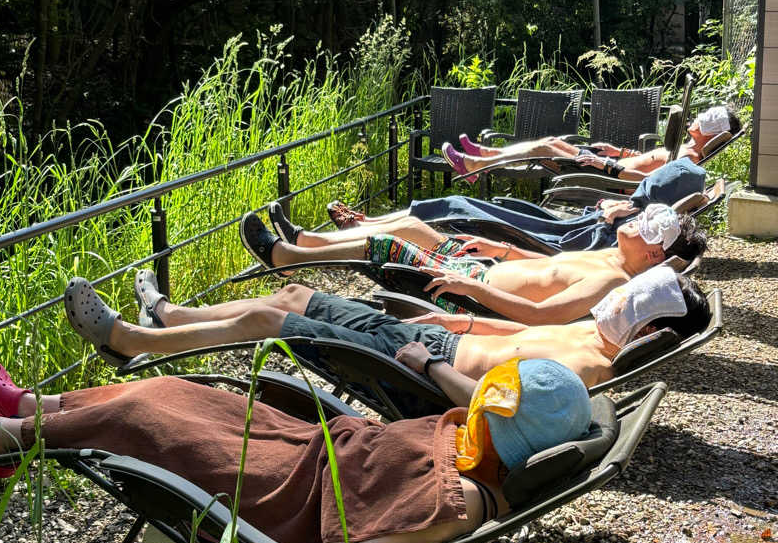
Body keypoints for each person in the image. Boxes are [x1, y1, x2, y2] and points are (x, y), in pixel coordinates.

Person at [0, 353, 592, 543]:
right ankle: (34, 406)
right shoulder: (471, 448)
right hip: (303, 445)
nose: (473, 405)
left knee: (145, 417)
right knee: (175, 391)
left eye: (485, 407)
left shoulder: (466, 497)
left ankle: (3, 438)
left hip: (279, 497)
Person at [62, 265, 711, 396]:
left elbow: (492, 404)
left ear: (649, 334)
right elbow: (506, 331)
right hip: (436, 341)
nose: (615, 307)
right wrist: (448, 319)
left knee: (268, 320)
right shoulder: (595, 333)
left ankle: (129, 341)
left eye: (631, 310)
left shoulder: (593, 371)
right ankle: (170, 316)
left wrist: (428, 364)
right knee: (295, 292)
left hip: (415, 373)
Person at [239, 202, 707, 321]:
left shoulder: (610, 284)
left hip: (471, 296)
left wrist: (474, 289)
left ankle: (286, 257)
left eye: (643, 227)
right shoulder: (611, 255)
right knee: (408, 226)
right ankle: (308, 240)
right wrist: (501, 250)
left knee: (389, 248)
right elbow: (548, 264)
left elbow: (539, 317)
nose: (632, 221)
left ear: (652, 254)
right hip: (476, 270)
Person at [273, 157, 710, 255]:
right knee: (456, 199)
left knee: (448, 209)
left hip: (536, 243)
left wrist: (611, 215)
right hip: (550, 229)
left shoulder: (631, 242)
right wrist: (617, 210)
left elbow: (564, 252)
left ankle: (311, 243)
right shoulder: (635, 223)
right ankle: (359, 224)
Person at [441, 104, 742, 183]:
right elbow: (647, 159)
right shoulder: (683, 149)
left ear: (712, 133)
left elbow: (649, 179)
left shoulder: (689, 160)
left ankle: (476, 164)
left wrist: (607, 163)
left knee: (545, 149)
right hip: (609, 164)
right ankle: (488, 155)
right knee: (551, 140)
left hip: (606, 175)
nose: (698, 118)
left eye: (706, 119)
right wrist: (618, 152)